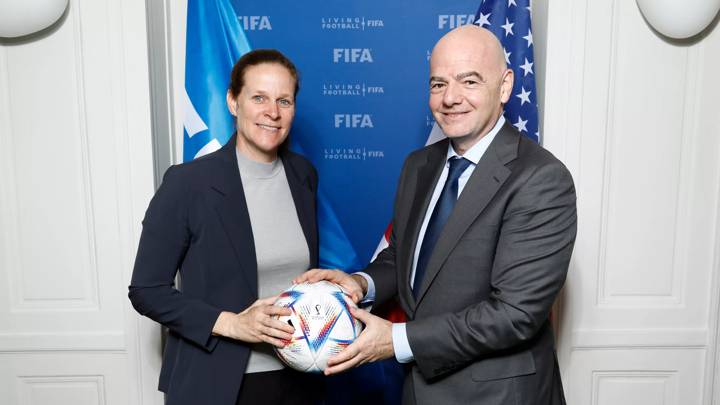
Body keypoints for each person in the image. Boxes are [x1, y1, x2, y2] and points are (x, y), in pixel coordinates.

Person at [295, 25, 577, 404]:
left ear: (505, 85)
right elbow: (403, 259)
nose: (451, 98)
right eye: (438, 84)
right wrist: (360, 284)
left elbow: (514, 314)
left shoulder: (541, 178)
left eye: (469, 81)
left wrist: (397, 341)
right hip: (418, 390)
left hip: (498, 395)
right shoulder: (420, 165)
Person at [129, 49, 323, 405]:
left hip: (300, 379)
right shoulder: (187, 183)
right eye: (259, 98)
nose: (273, 112)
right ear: (233, 102)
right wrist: (232, 324)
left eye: (284, 100)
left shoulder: (303, 175)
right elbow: (146, 290)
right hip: (216, 382)